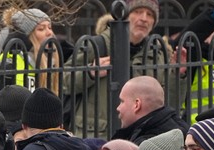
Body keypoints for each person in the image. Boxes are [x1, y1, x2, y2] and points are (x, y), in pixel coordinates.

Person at [64, 0, 166, 139]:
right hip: (95, 136)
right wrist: (90, 73)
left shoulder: (155, 54)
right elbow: (62, 81)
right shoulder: (97, 45)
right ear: (125, 15)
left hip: (138, 137)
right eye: (137, 12)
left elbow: (165, 97)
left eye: (150, 15)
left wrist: (180, 76)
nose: (144, 18)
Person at [0, 7, 60, 94]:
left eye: (50, 27)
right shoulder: (10, 61)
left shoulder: (51, 61)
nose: (49, 33)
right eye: (41, 29)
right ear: (27, 36)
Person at [112, 76, 188, 144]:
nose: (118, 108)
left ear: (137, 105)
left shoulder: (144, 147)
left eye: (122, 101)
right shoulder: (180, 129)